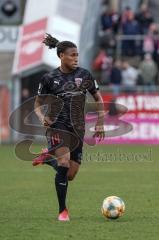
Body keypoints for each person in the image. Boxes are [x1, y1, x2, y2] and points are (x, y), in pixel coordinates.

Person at [33, 34, 105, 221]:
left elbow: (97, 98)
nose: (76, 58)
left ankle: (47, 158)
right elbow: (37, 104)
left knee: (70, 174)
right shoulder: (49, 78)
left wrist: (100, 121)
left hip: (78, 128)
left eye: (77, 55)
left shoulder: (85, 75)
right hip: (57, 125)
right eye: (72, 55)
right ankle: (62, 211)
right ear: (61, 56)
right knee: (64, 163)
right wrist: (42, 117)